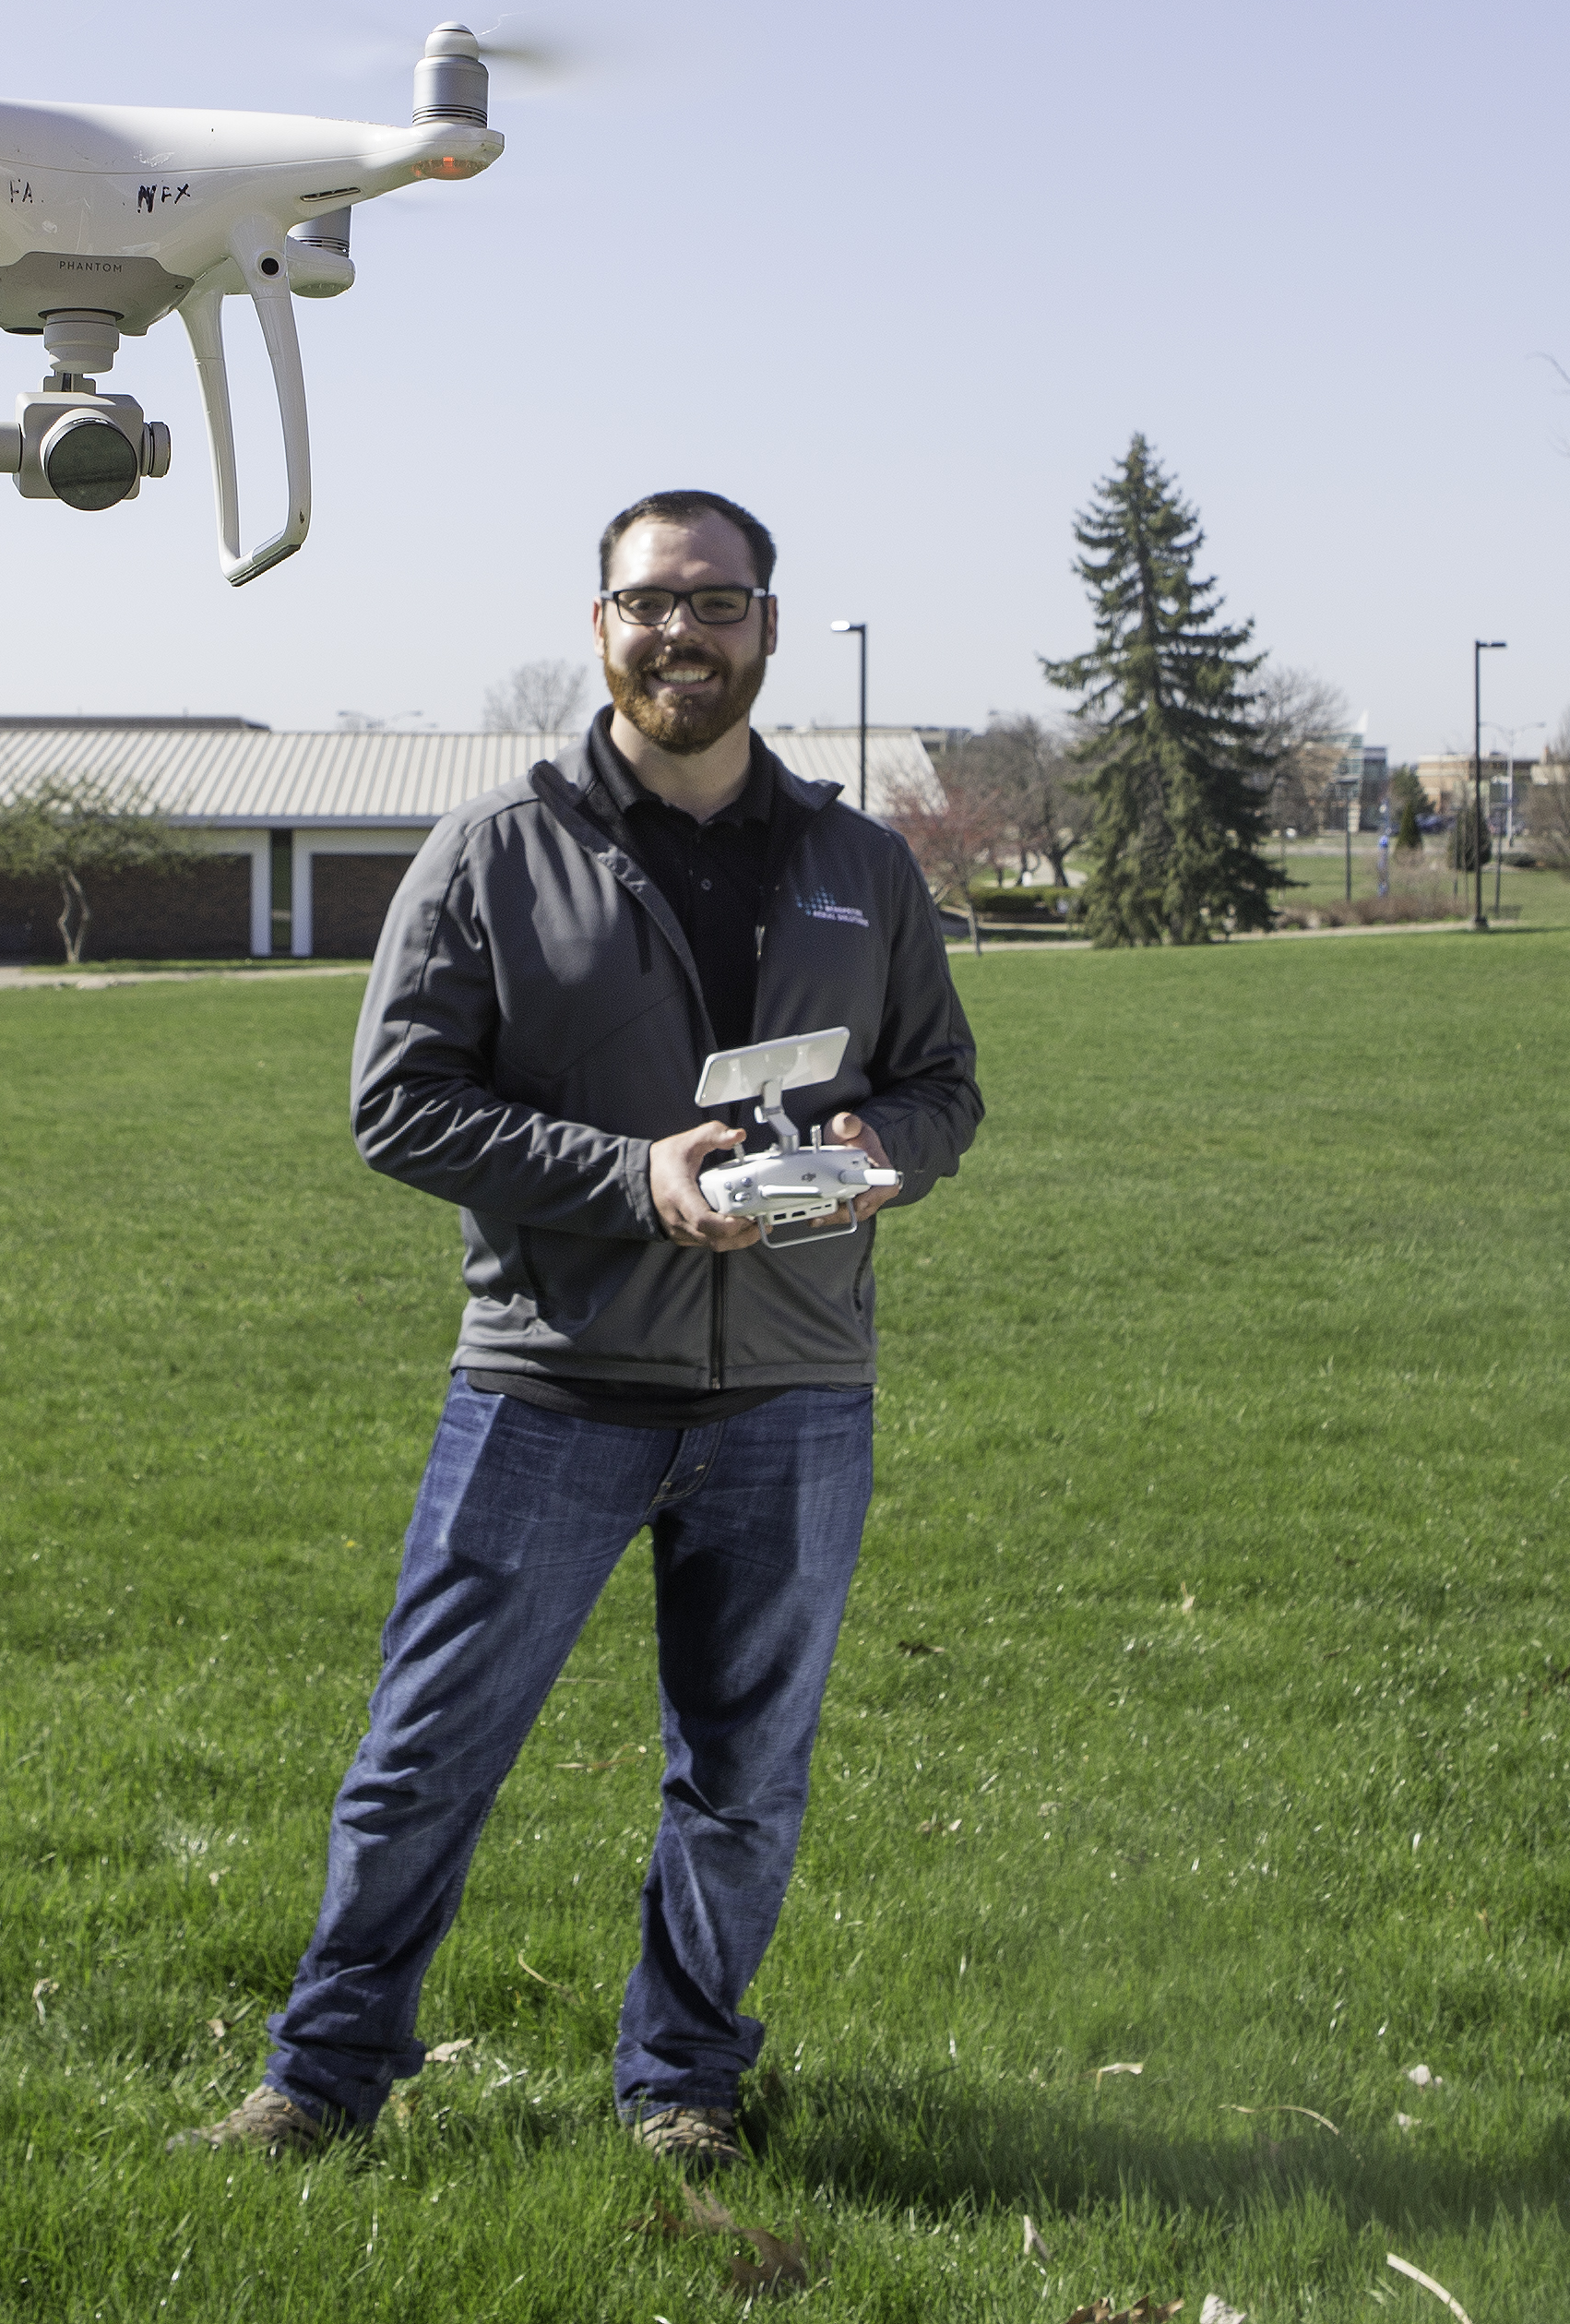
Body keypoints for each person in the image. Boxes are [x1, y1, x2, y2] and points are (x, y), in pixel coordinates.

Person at [188, 487, 985, 2170]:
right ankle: (320, 2084)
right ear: (601, 622)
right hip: (550, 1388)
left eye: (716, 602)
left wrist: (878, 1159)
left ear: (767, 623)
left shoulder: (859, 863)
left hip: (792, 1391)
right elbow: (400, 1107)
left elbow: (941, 1085)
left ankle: (682, 2087)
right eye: (649, 603)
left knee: (745, 1775)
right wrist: (632, 1176)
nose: (681, 633)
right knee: (428, 1756)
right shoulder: (498, 848)